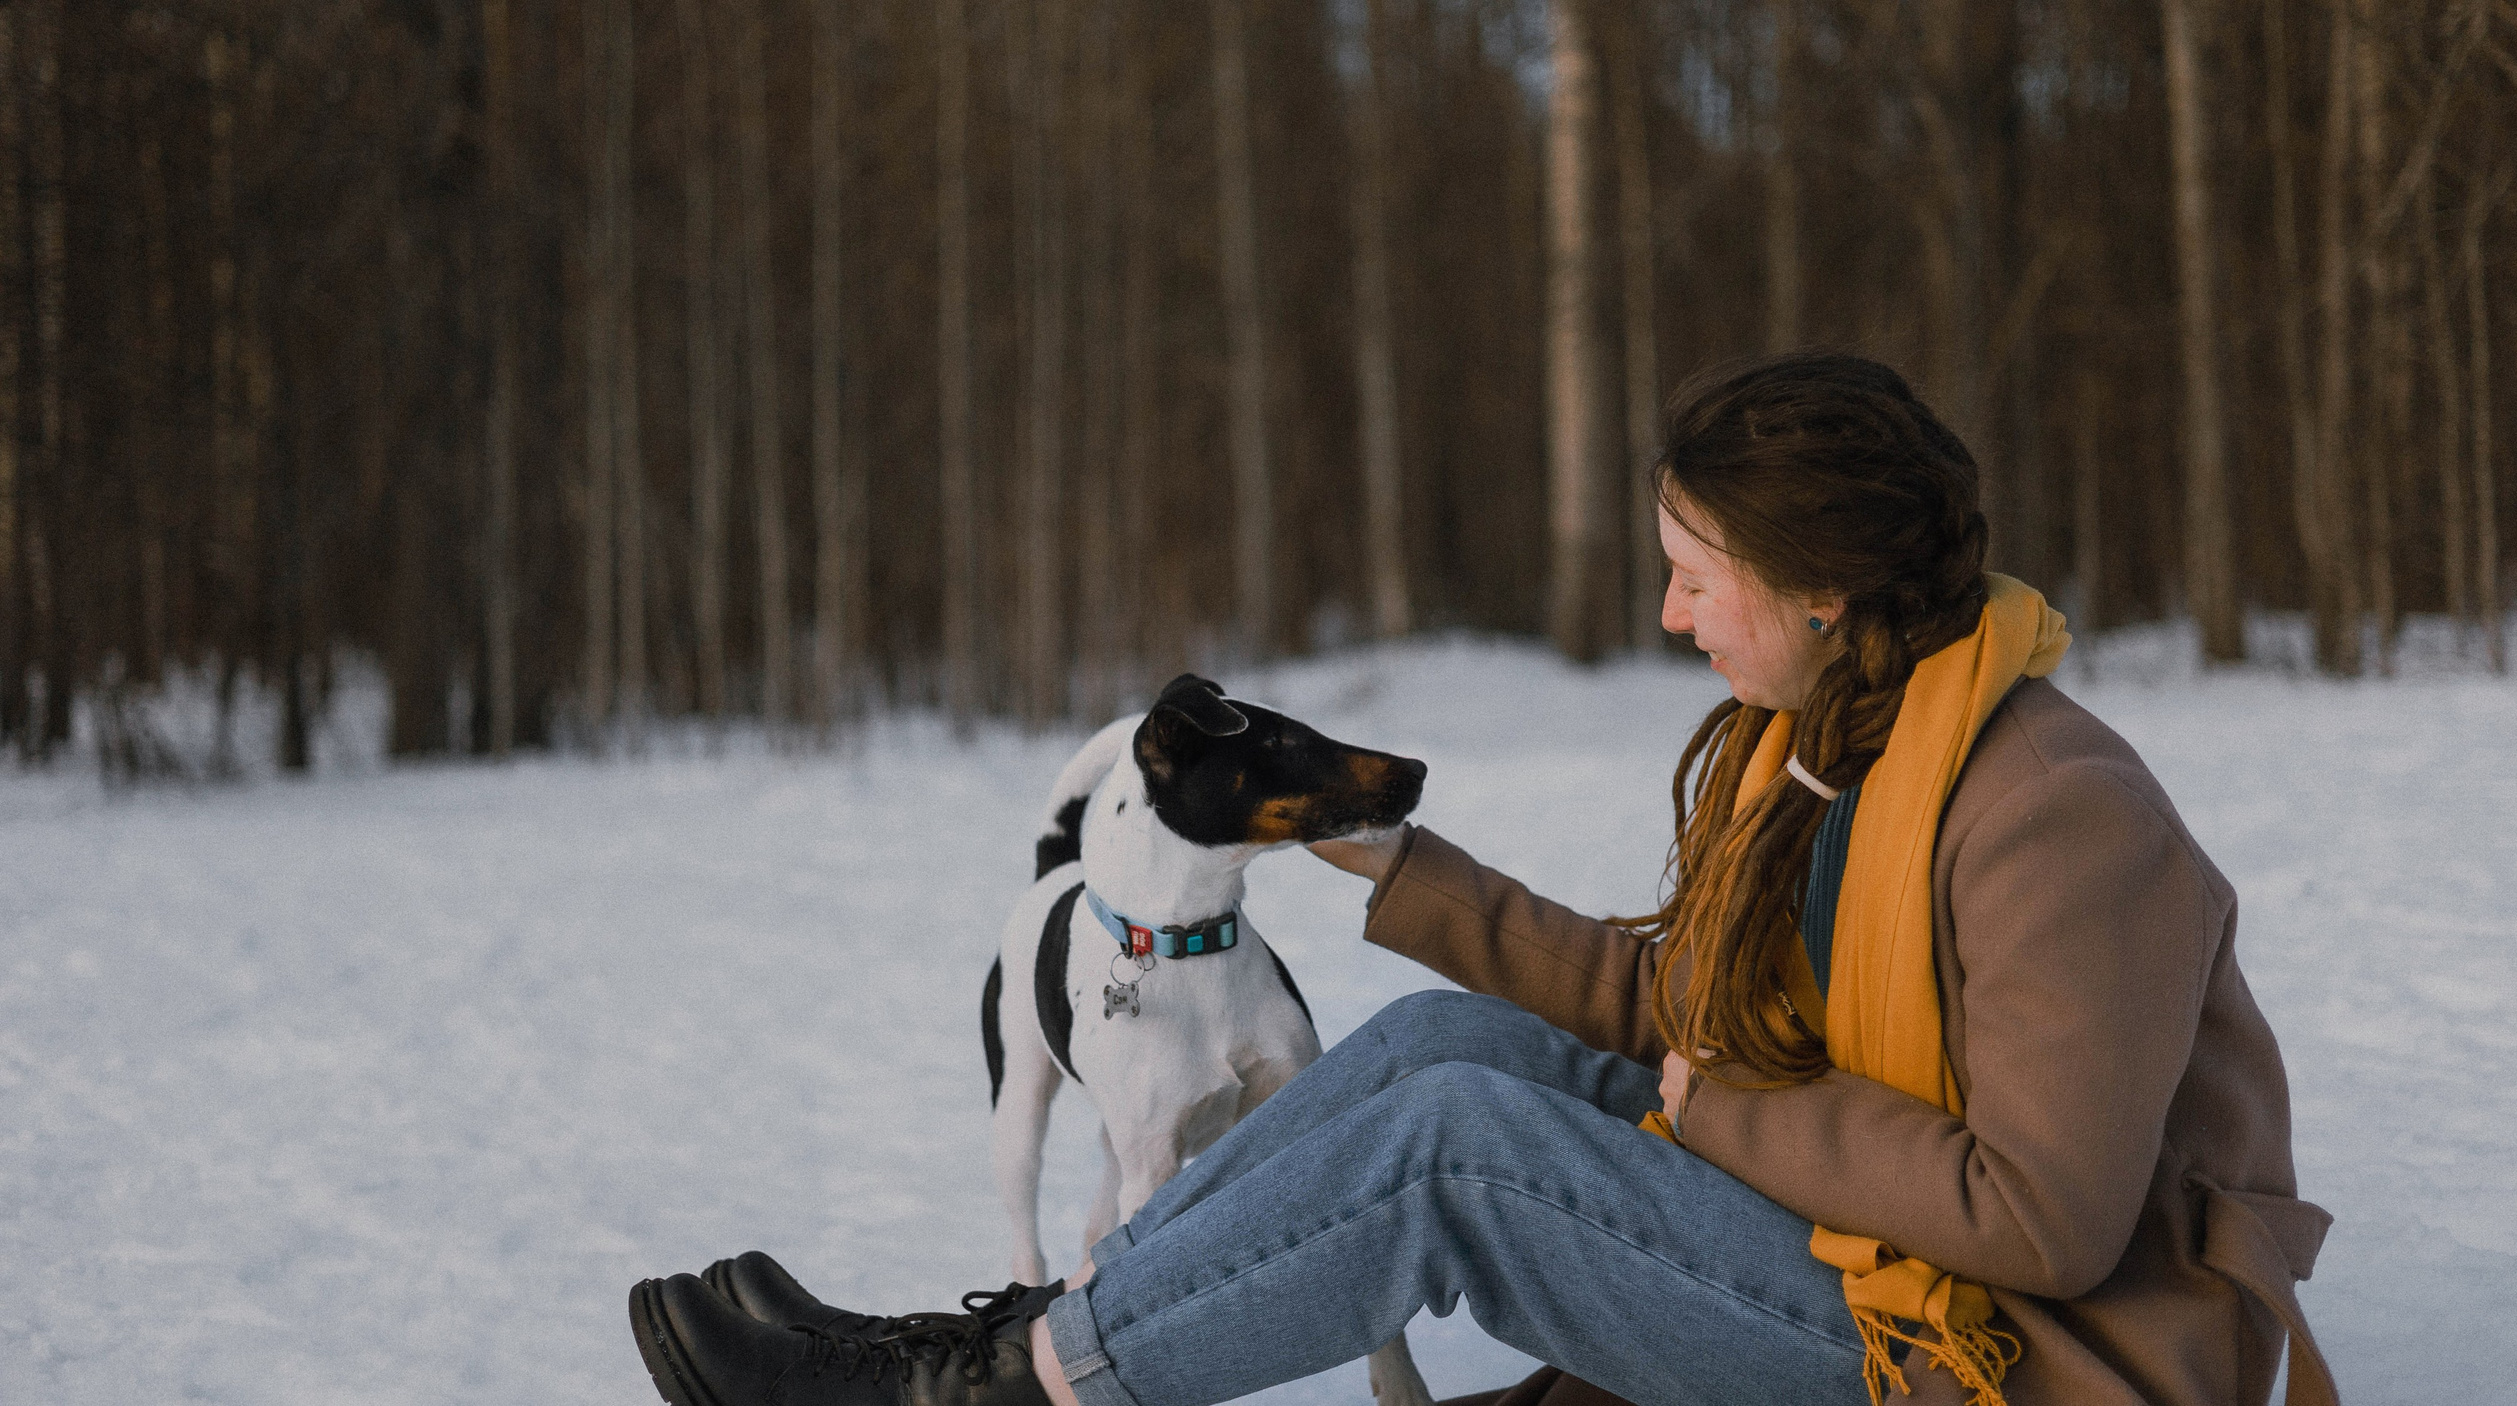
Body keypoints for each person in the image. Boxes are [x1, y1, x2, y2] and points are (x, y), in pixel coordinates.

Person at [626, 353, 2336, 1406]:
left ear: (1822, 586)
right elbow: (1685, 1007)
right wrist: (1398, 862)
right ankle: (1038, 1335)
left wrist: (1719, 1110)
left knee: (1462, 1151)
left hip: (2018, 1364)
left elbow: (2047, 1218)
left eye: (1696, 573)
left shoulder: (2053, 812)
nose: (1672, 615)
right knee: (1461, 1053)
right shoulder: (1840, 739)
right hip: (1887, 1261)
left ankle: (1009, 1395)